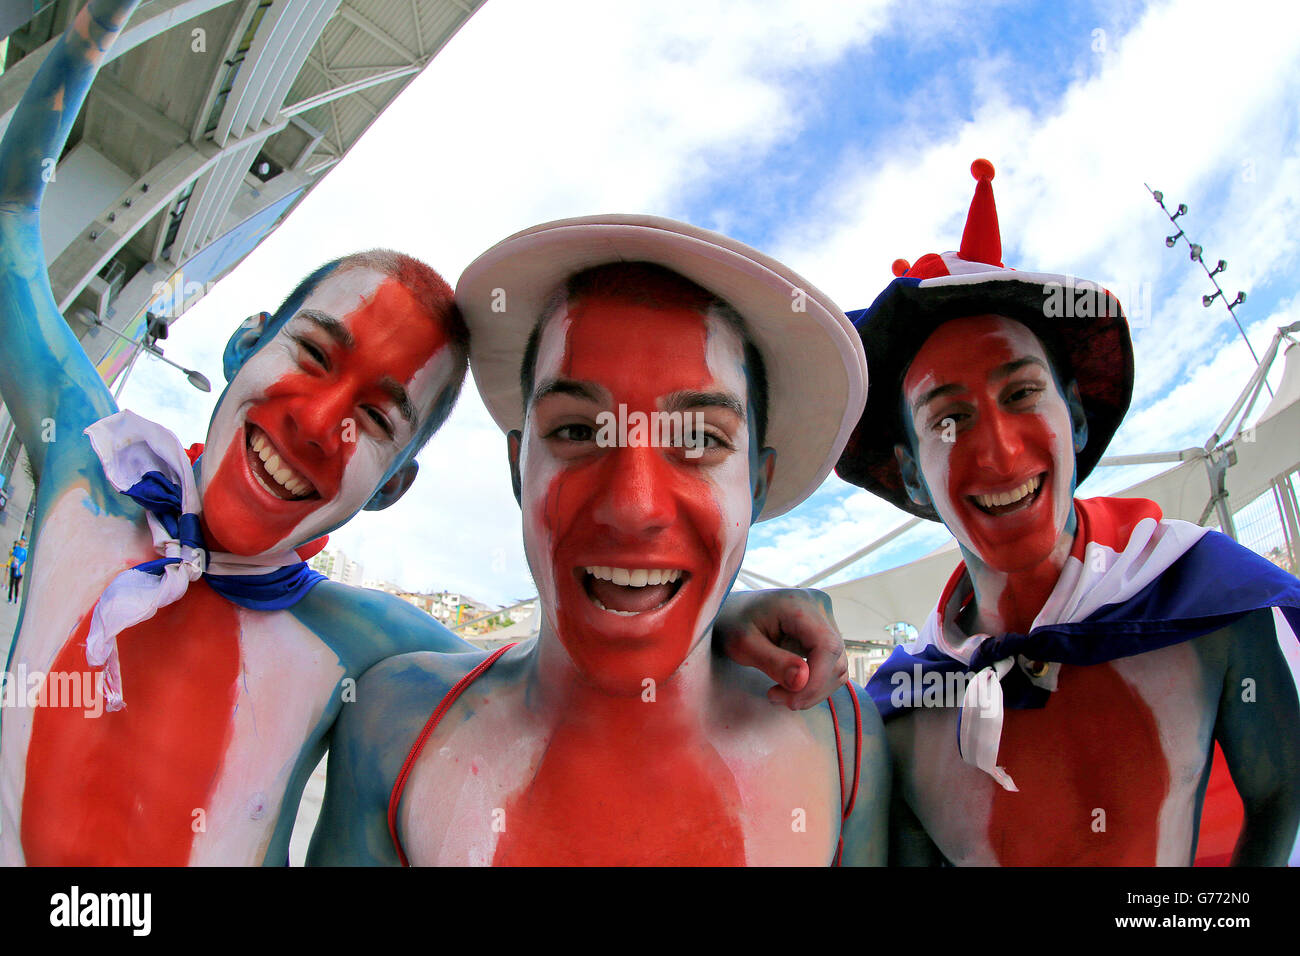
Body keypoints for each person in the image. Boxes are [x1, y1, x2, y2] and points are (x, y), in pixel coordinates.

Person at [0, 0, 853, 865]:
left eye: (376, 420)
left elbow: (556, 667)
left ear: (394, 486)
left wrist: (719, 610)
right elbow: (8, 226)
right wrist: (82, 42)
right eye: (311, 354)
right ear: (241, 342)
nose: (315, 423)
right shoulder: (89, 470)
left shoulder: (362, 644)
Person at [309, 215, 889, 865]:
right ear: (517, 469)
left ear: (757, 482)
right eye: (579, 432)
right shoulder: (393, 725)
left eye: (698, 439)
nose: (632, 507)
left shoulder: (845, 737)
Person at [836, 160, 1300, 865]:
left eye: (1021, 394)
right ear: (912, 476)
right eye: (950, 420)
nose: (996, 452)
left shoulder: (1209, 600)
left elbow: (1282, 797)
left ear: (1075, 418)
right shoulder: (900, 710)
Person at [7, 536, 26, 604]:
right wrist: (10, 563)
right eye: (21, 540)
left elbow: (25, 561)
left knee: (16, 585)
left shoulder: (24, 551)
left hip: (19, 570)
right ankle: (10, 598)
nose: (22, 542)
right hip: (14, 567)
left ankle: (16, 597)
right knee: (11, 583)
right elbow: (13, 556)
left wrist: (21, 567)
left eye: (23, 541)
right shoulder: (17, 548)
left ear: (24, 542)